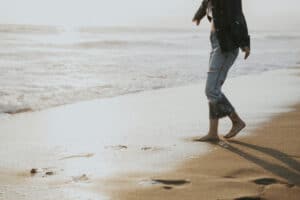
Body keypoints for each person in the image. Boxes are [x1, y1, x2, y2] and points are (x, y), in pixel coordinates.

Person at [192, 0, 251, 141]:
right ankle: (213, 133)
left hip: (226, 45)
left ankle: (236, 121)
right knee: (214, 90)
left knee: (211, 89)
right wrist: (199, 15)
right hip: (216, 41)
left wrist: (245, 43)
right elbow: (206, 3)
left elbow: (238, 15)